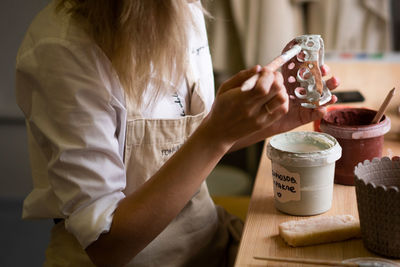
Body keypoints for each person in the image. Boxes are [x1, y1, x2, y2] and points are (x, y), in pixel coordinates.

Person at [15, 0, 339, 266]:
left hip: (205, 245)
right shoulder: (63, 48)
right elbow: (107, 246)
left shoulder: (183, 9)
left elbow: (189, 146)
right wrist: (216, 134)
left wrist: (271, 119)